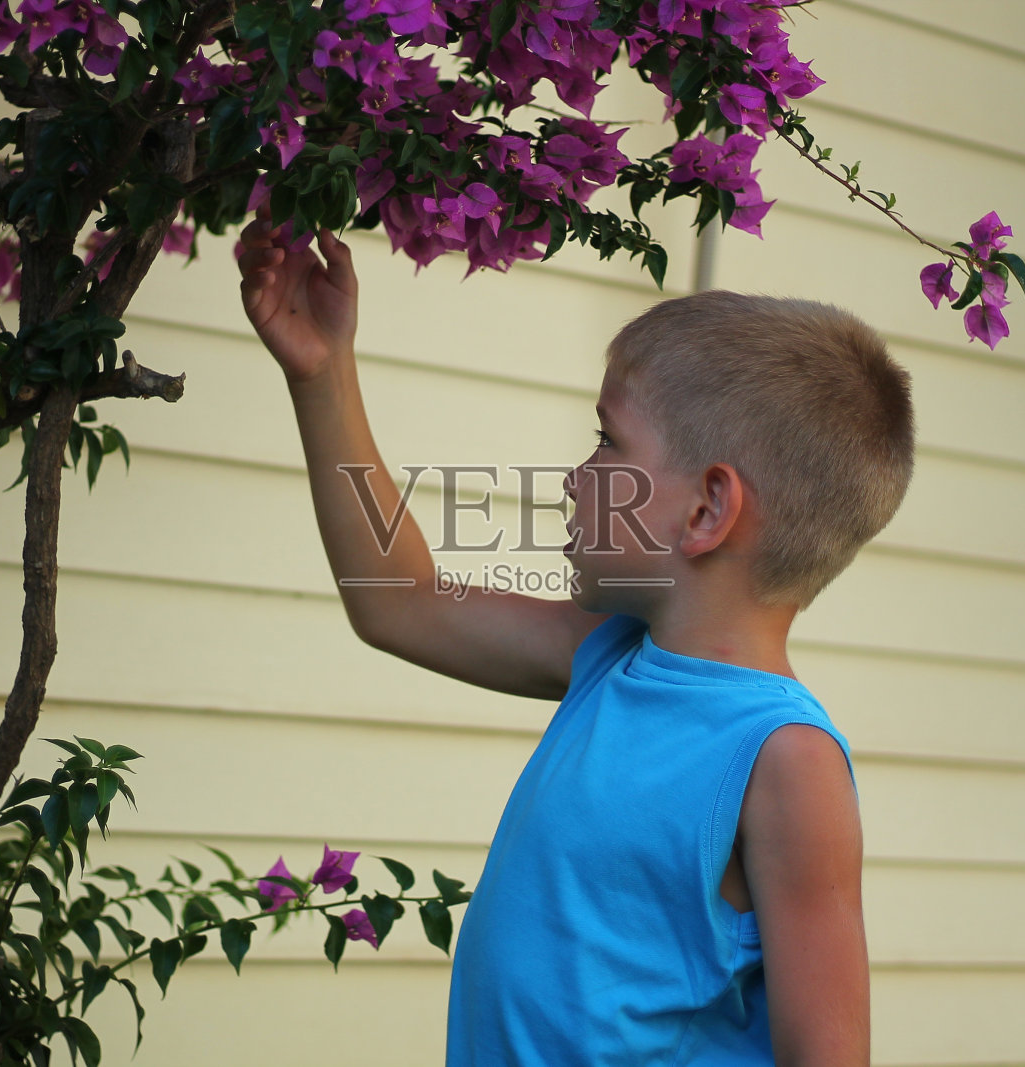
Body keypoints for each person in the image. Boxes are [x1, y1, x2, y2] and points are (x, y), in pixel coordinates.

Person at [236, 211, 914, 1066]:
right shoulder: (609, 654)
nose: (573, 476)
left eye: (607, 442)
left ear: (707, 510)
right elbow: (398, 601)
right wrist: (323, 375)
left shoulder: (785, 760)